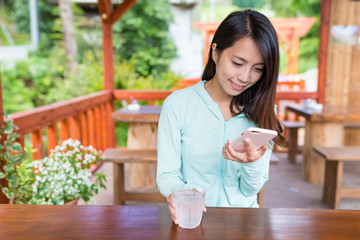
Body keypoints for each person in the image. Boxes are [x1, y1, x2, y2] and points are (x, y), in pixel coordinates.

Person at [156, 9, 285, 225]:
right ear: (215, 52)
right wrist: (183, 194)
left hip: (244, 223)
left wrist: (252, 164)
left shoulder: (264, 110)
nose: (245, 77)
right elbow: (166, 175)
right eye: (237, 63)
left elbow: (250, 190)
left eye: (258, 69)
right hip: (194, 219)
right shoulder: (178, 104)